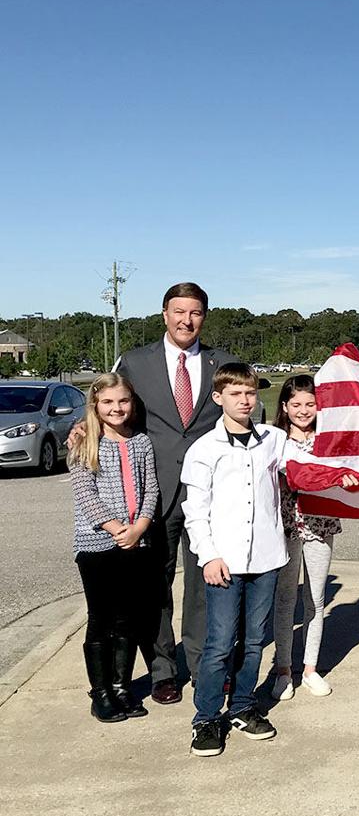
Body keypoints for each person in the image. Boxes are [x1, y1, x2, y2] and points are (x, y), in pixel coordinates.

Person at [75, 282, 239, 706]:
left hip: (209, 493)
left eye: (196, 313)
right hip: (155, 494)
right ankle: (163, 669)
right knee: (154, 587)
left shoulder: (222, 362)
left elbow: (244, 414)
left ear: (205, 316)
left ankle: (208, 666)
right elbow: (108, 405)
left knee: (208, 584)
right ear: (164, 314)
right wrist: (81, 428)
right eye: (179, 311)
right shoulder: (135, 361)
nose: (187, 320)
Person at [184, 363, 359, 757]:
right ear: (218, 398)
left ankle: (244, 707)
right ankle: (207, 718)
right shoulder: (204, 449)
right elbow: (195, 510)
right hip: (223, 561)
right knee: (220, 643)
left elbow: (304, 468)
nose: (244, 400)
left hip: (266, 558)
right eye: (235, 394)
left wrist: (341, 472)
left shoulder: (272, 439)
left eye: (249, 393)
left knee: (251, 643)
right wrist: (208, 556)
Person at [68, 374, 159, 723]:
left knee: (128, 619)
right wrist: (116, 528)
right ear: (96, 405)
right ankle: (101, 692)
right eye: (108, 402)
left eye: (123, 401)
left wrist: (139, 527)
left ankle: (122, 687)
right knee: (101, 619)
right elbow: (86, 496)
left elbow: (150, 489)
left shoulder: (141, 443)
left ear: (131, 404)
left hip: (136, 541)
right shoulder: (83, 443)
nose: (116, 408)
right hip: (97, 547)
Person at [271, 374, 343, 700]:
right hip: (284, 527)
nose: (303, 411)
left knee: (314, 599)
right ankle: (283, 670)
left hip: (320, 525)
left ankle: (310, 668)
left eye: (310, 404)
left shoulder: (328, 441)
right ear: (284, 407)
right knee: (285, 599)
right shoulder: (273, 440)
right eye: (296, 404)